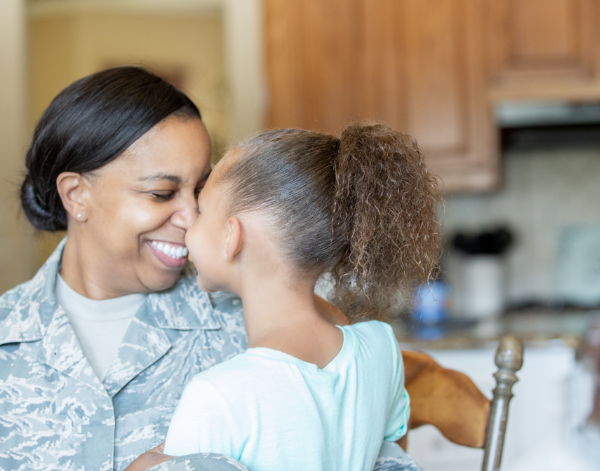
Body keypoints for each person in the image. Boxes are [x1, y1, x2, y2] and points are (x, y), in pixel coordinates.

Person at [0, 67, 423, 471]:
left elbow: (373, 452)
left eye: (200, 191)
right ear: (76, 195)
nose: (190, 216)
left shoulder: (270, 320)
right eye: (162, 193)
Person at [155, 124, 442, 470]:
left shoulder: (217, 397)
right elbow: (389, 444)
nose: (187, 224)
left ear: (232, 236)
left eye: (200, 210)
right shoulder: (381, 346)